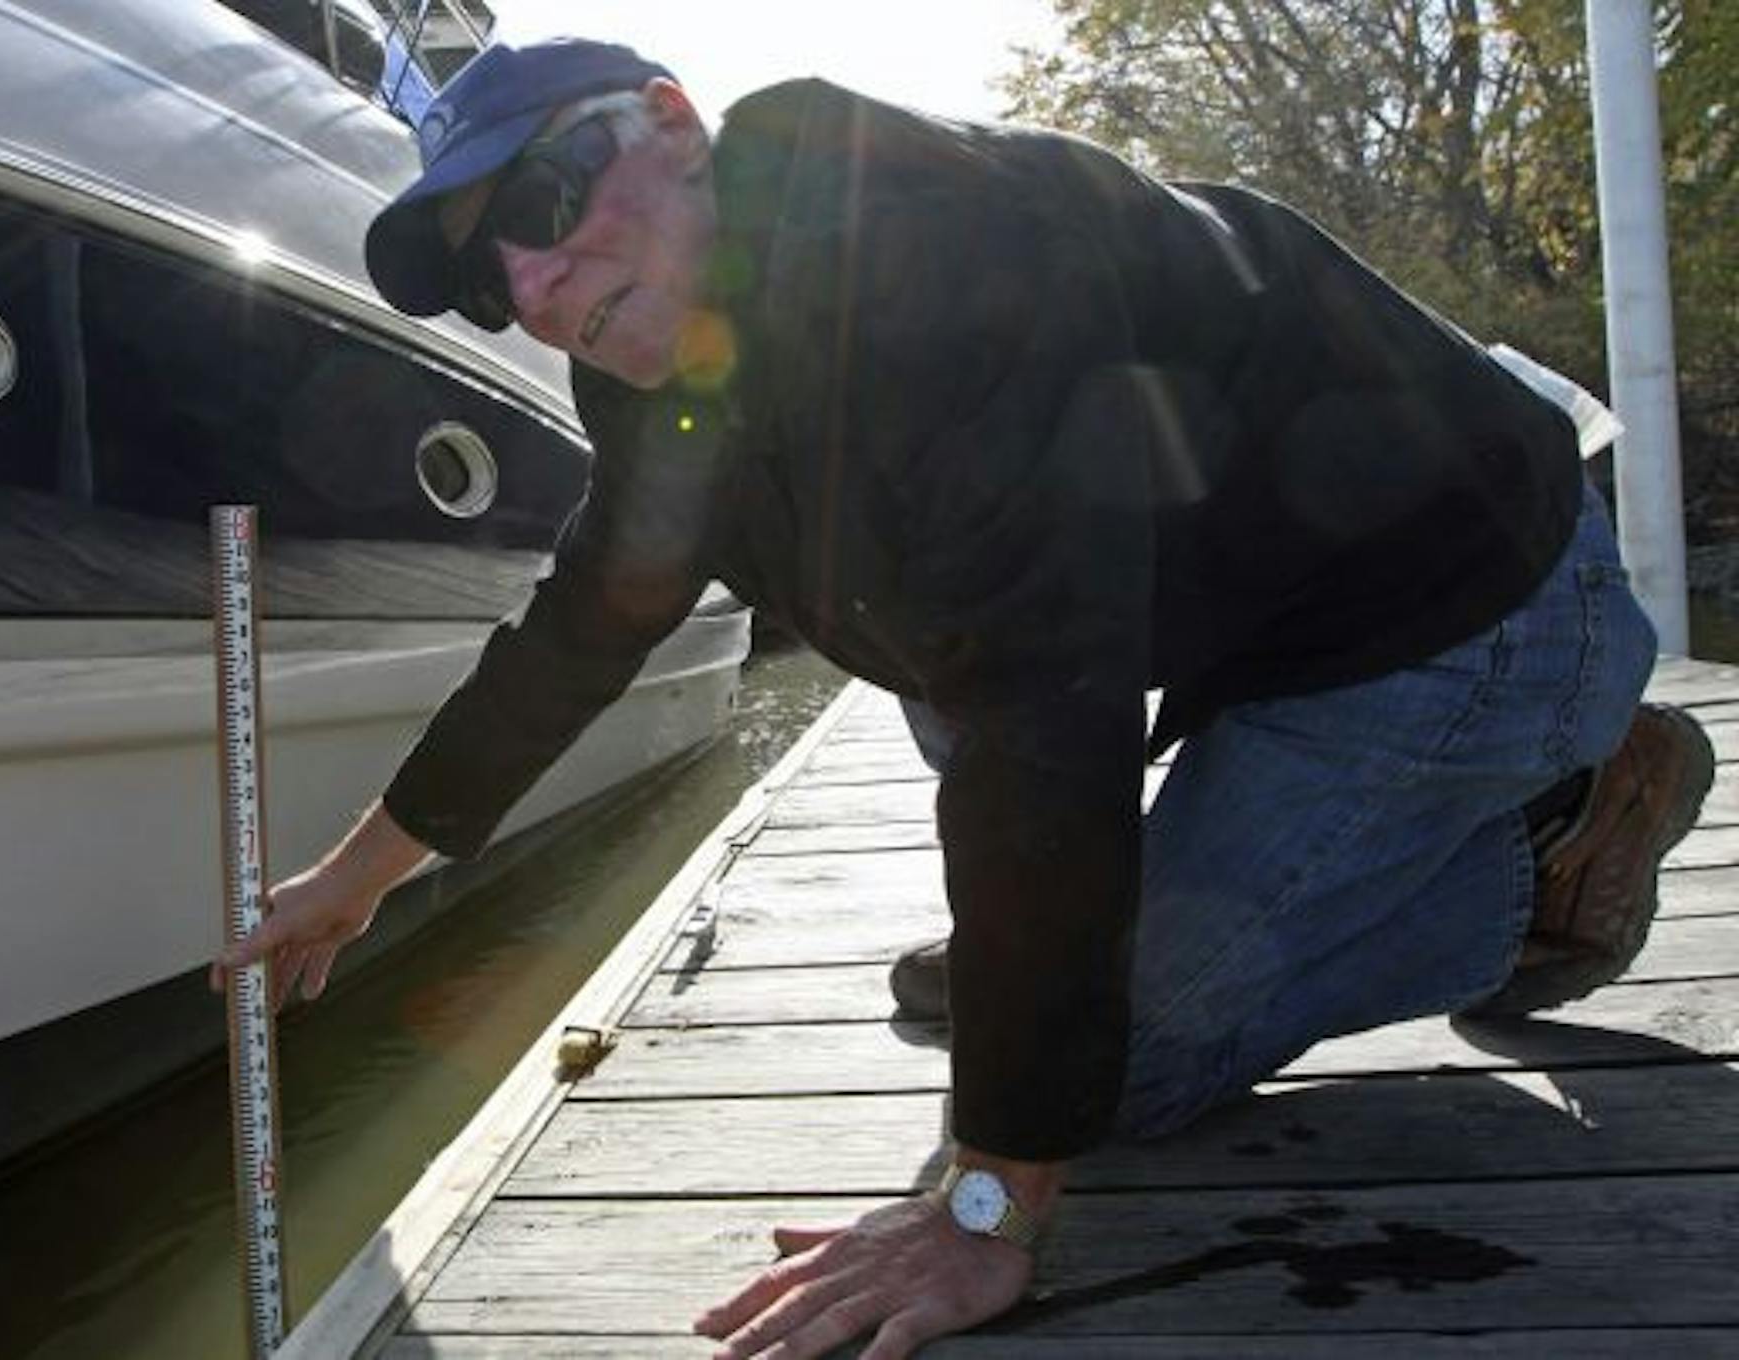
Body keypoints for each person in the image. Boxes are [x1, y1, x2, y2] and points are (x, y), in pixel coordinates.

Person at [213, 37, 1714, 1359]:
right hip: (1242, 623)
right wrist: (356, 881)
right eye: (490, 280)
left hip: (1476, 606)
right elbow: (584, 629)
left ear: (672, 122)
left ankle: (1556, 846)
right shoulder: (674, 364)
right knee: (1032, 967)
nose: (534, 288)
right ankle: (1134, 936)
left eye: (540, 209)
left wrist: (987, 1201)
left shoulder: (951, 267)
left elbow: (1041, 735)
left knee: (1121, 1069)